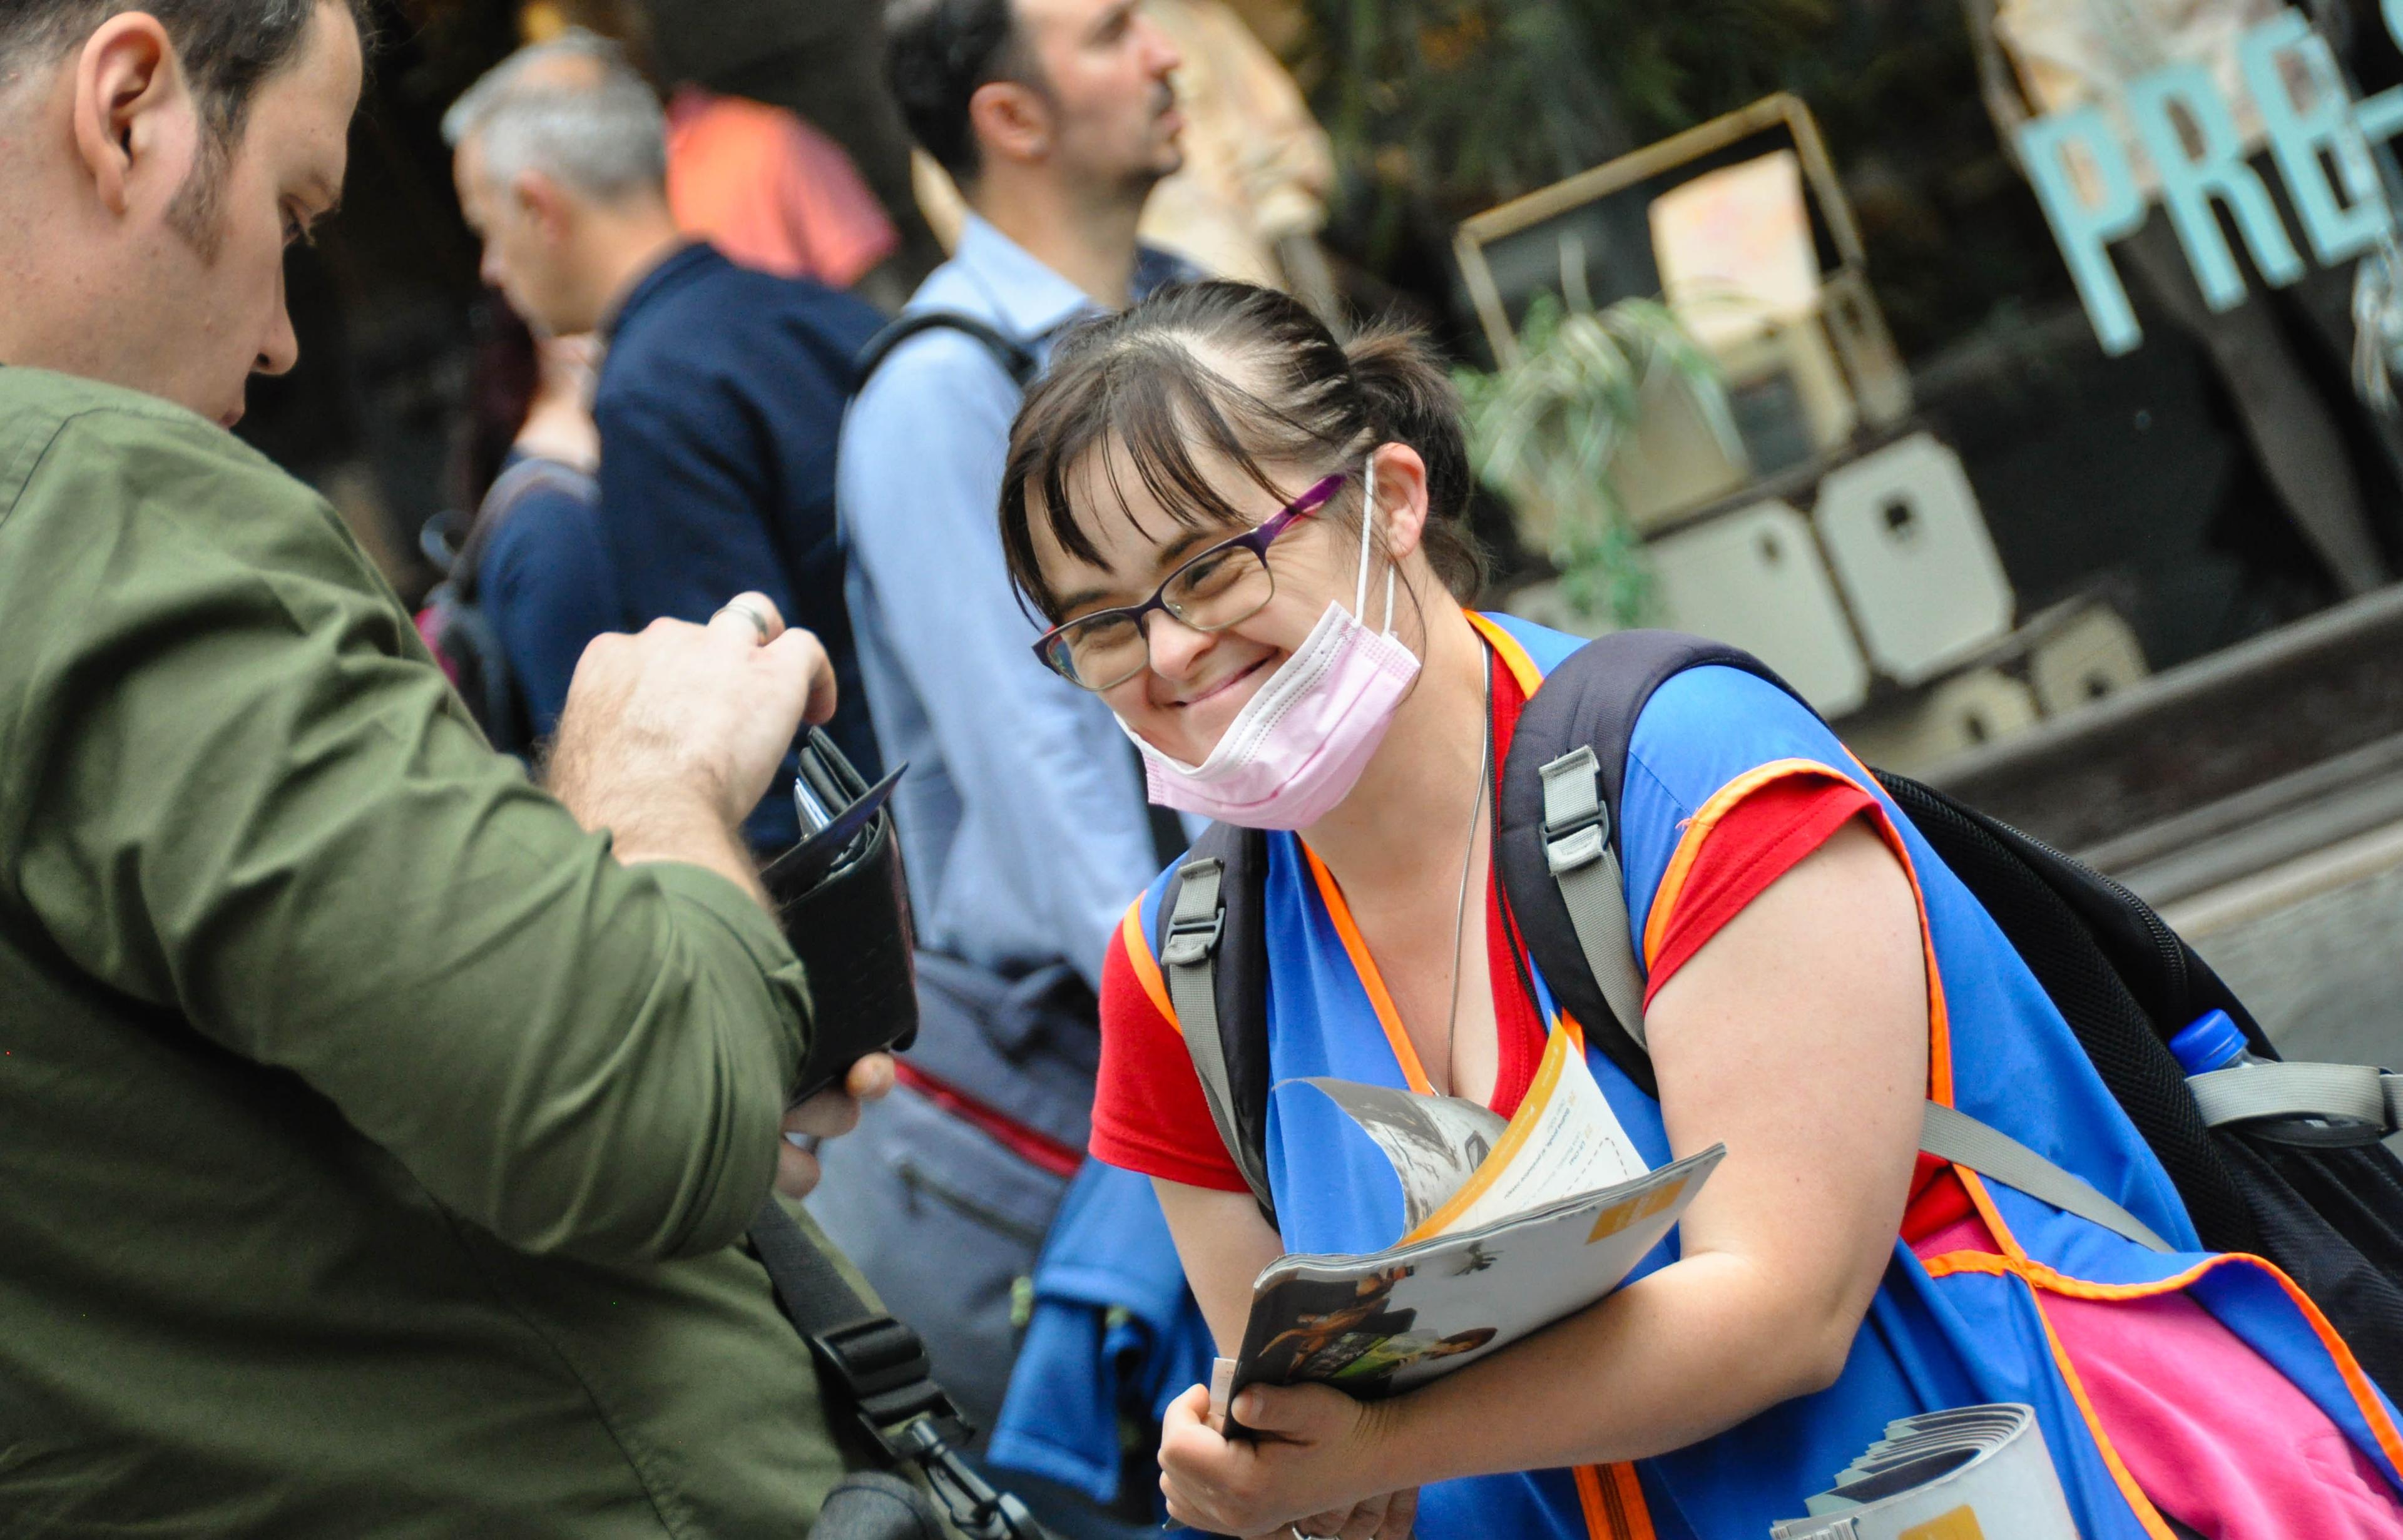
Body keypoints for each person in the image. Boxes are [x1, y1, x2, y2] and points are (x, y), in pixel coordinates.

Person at [998, 280, 2403, 1539]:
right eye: (1104, 623)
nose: (1172, 651)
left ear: (1390, 502)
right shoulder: (1181, 974)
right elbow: (1320, 1428)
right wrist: (1287, 1488)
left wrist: (1384, 1440)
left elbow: (1784, 1307)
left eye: (1210, 566)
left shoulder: (1684, 768)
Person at [0, 1, 894, 1531]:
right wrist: (652, 778)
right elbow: (633, 1105)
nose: (285, 335)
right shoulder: (85, 495)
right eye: (293, 212)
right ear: (131, 105)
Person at [818, 0, 1194, 1436]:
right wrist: (1228, 1058)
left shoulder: (1182, 304)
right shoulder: (940, 393)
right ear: (1011, 120)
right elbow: (1048, 788)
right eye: (1109, 33)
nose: (1165, 52)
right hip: (1105, 1059)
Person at [446, 30, 885, 850]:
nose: (491, 270)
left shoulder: (648, 396)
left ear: (539, 207)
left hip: (887, 874)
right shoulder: (819, 312)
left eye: (486, 225)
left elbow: (742, 741)